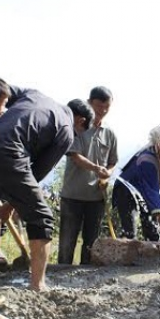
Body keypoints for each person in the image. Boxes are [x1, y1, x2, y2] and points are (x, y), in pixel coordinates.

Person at [0, 78, 75, 291]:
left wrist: (9, 204)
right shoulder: (67, 129)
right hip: (10, 152)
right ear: (79, 121)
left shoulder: (34, 94)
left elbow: (3, 90)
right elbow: (36, 173)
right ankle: (38, 285)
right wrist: (12, 203)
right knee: (42, 218)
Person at [58, 86, 118, 265]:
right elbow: (75, 156)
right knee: (67, 241)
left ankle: (84, 281)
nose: (103, 111)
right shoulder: (77, 127)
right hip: (72, 195)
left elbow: (113, 162)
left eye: (107, 107)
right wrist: (95, 168)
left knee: (91, 244)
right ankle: (59, 277)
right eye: (99, 106)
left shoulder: (109, 133)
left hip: (96, 198)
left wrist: (107, 174)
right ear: (90, 103)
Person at [112, 123, 160, 241]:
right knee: (130, 232)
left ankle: (153, 257)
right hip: (126, 190)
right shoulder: (146, 159)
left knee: (153, 232)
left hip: (148, 192)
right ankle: (127, 256)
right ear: (157, 143)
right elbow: (151, 190)